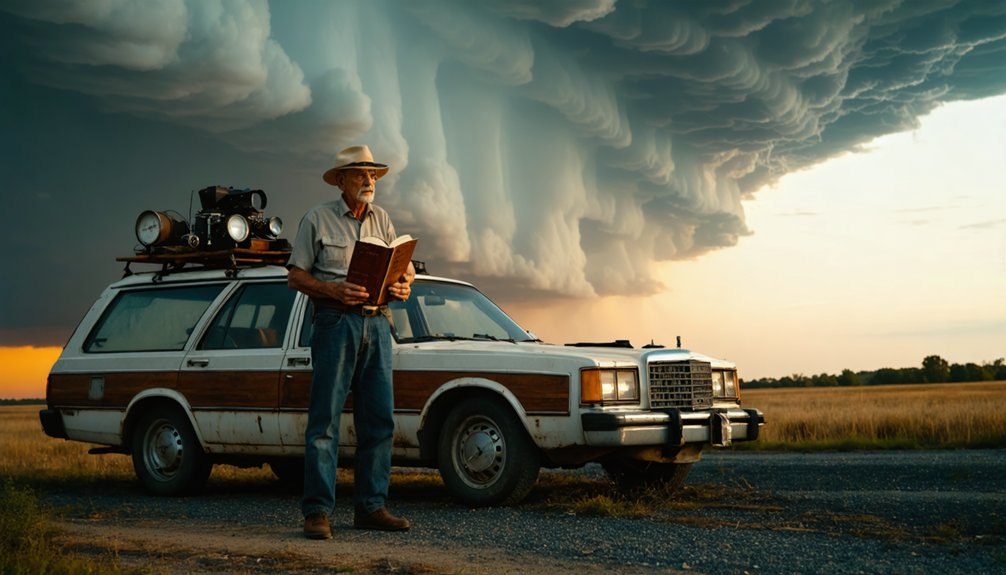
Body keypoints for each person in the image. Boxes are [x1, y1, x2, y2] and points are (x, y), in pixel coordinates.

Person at [287, 145, 414, 539]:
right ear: (340, 179)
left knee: (379, 421)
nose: (369, 181)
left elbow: (404, 265)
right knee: (324, 420)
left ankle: (371, 508)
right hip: (334, 321)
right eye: (360, 174)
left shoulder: (384, 219)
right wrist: (333, 289)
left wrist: (405, 284)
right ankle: (317, 513)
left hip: (378, 324)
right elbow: (295, 276)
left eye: (373, 175)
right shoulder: (317, 218)